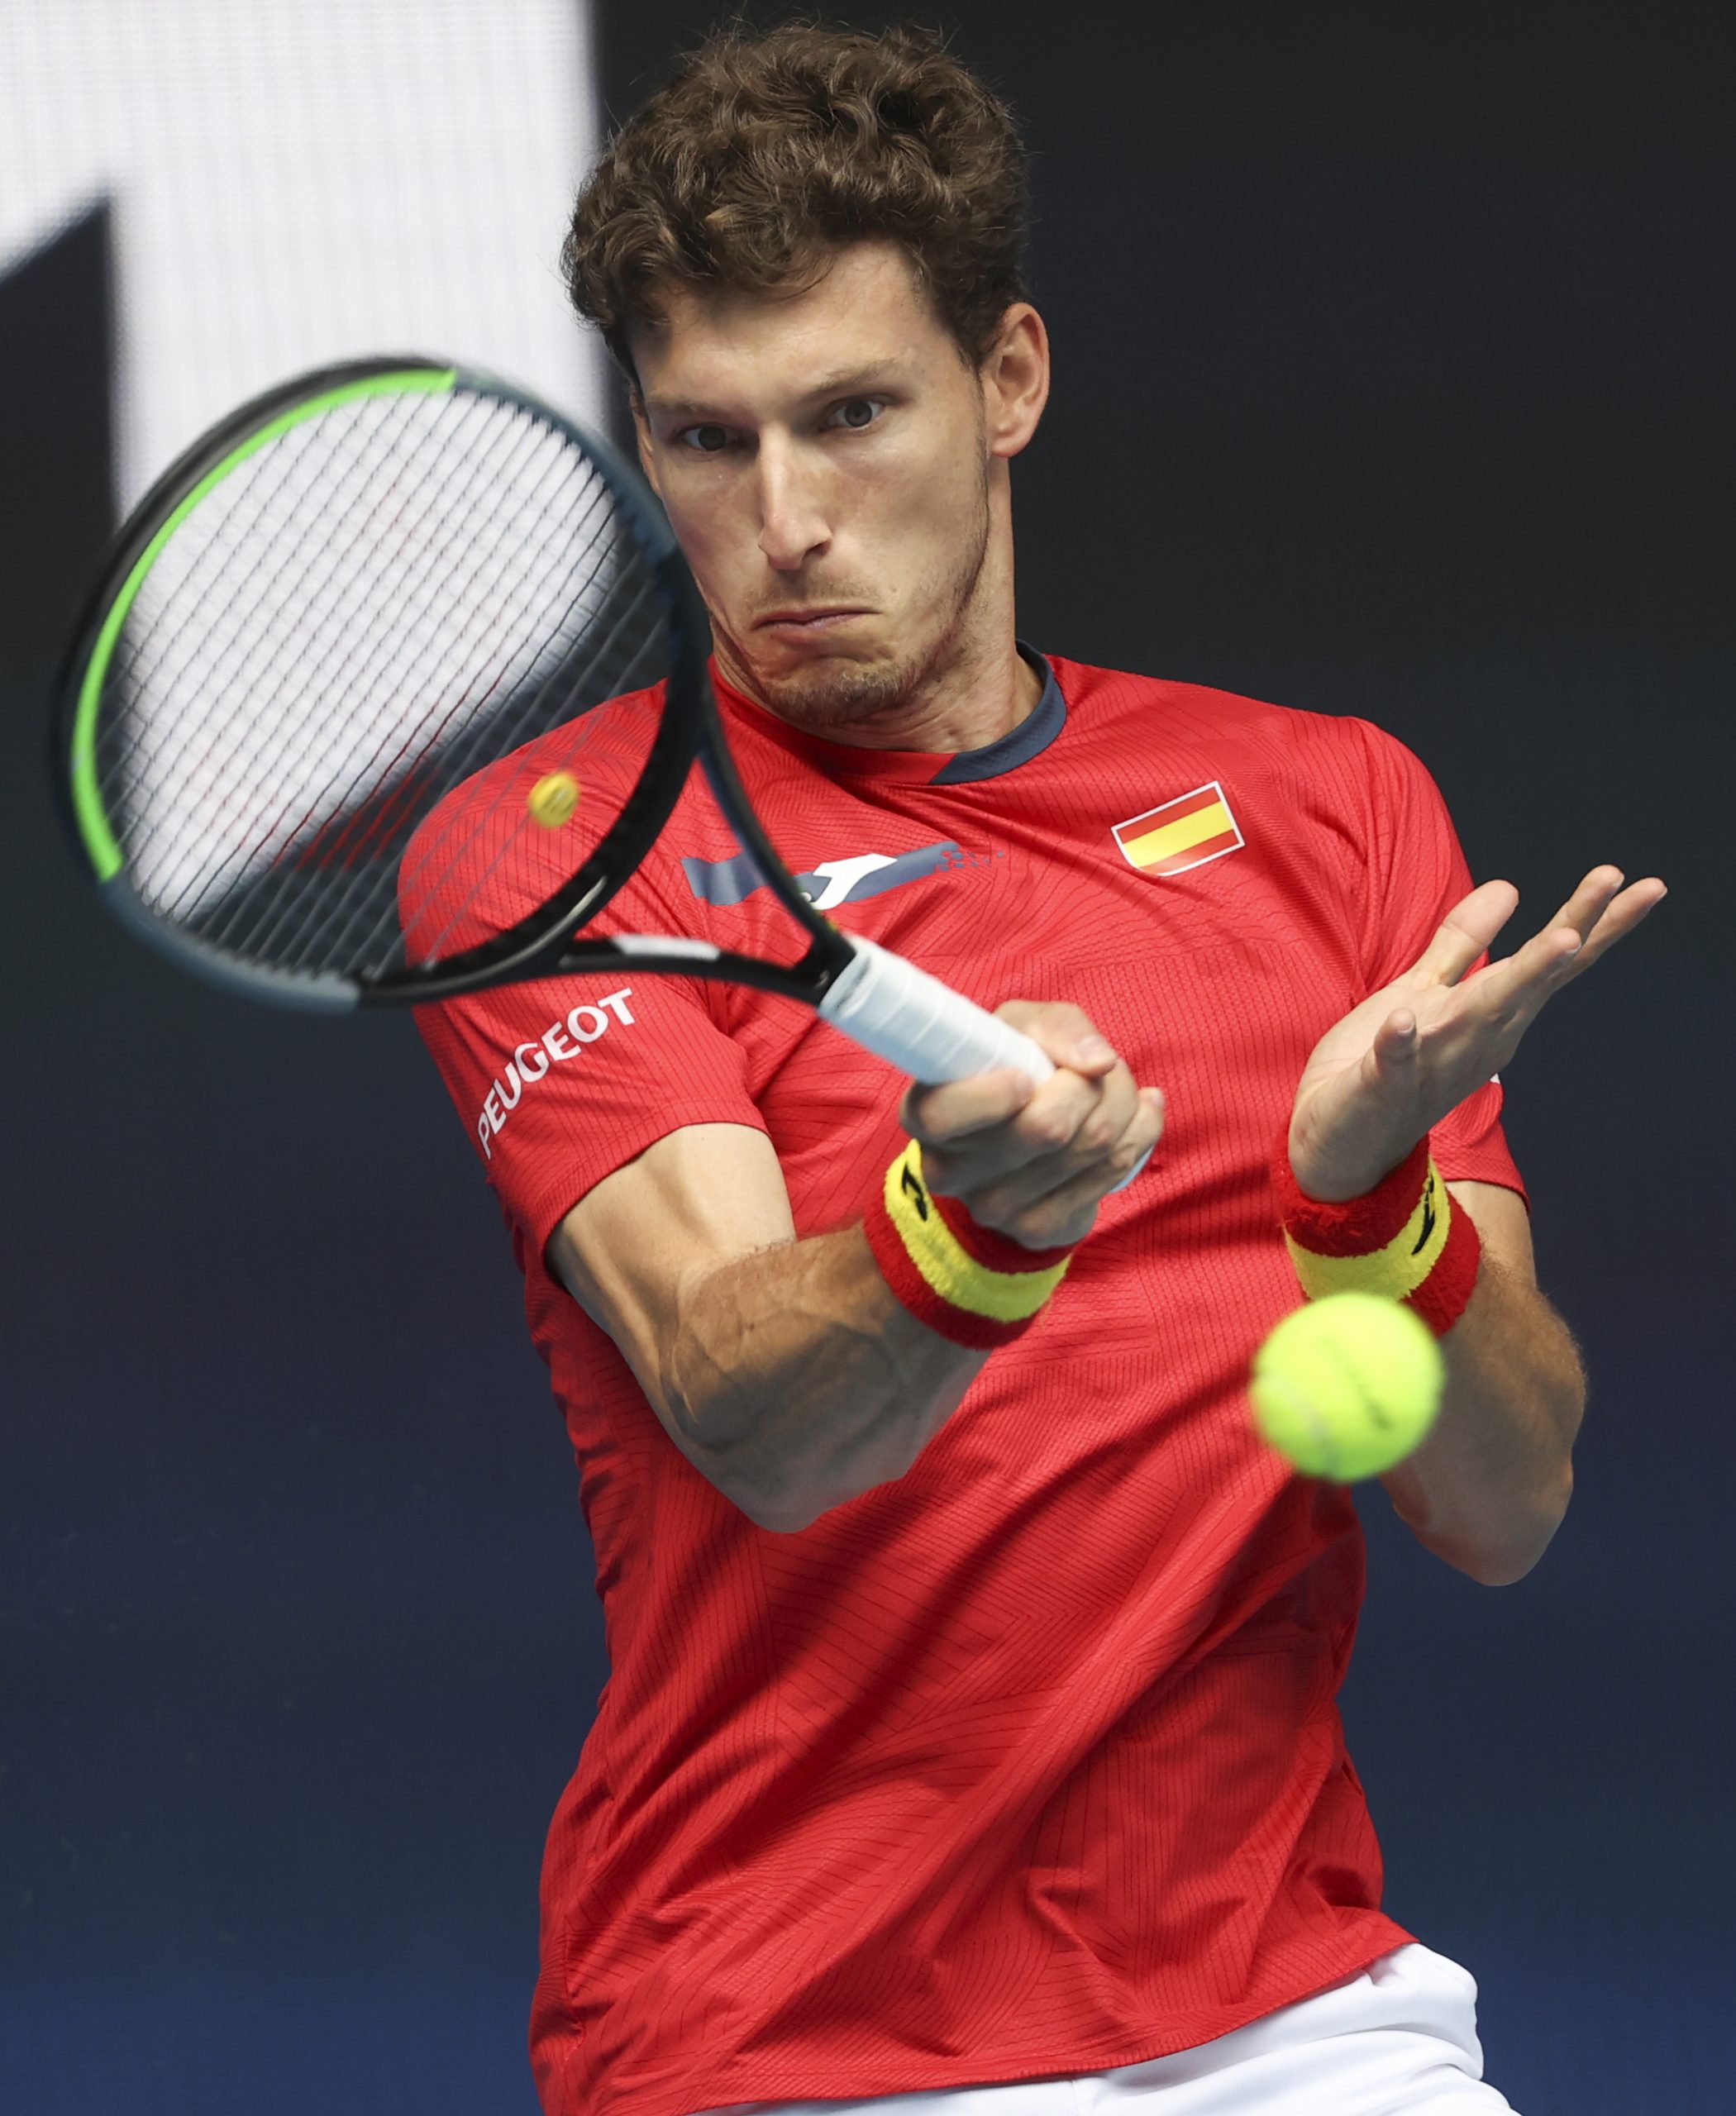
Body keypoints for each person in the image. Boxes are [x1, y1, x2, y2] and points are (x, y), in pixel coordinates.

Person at [405, 23, 1663, 2116]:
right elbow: (751, 1406)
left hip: (1301, 2015)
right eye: (707, 441)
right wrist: (961, 1232)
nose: (787, 518)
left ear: (1010, 381)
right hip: (788, 2038)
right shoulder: (564, 848)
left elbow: (1509, 1499)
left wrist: (1371, 1209)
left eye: (853, 415)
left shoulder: (1329, 807)